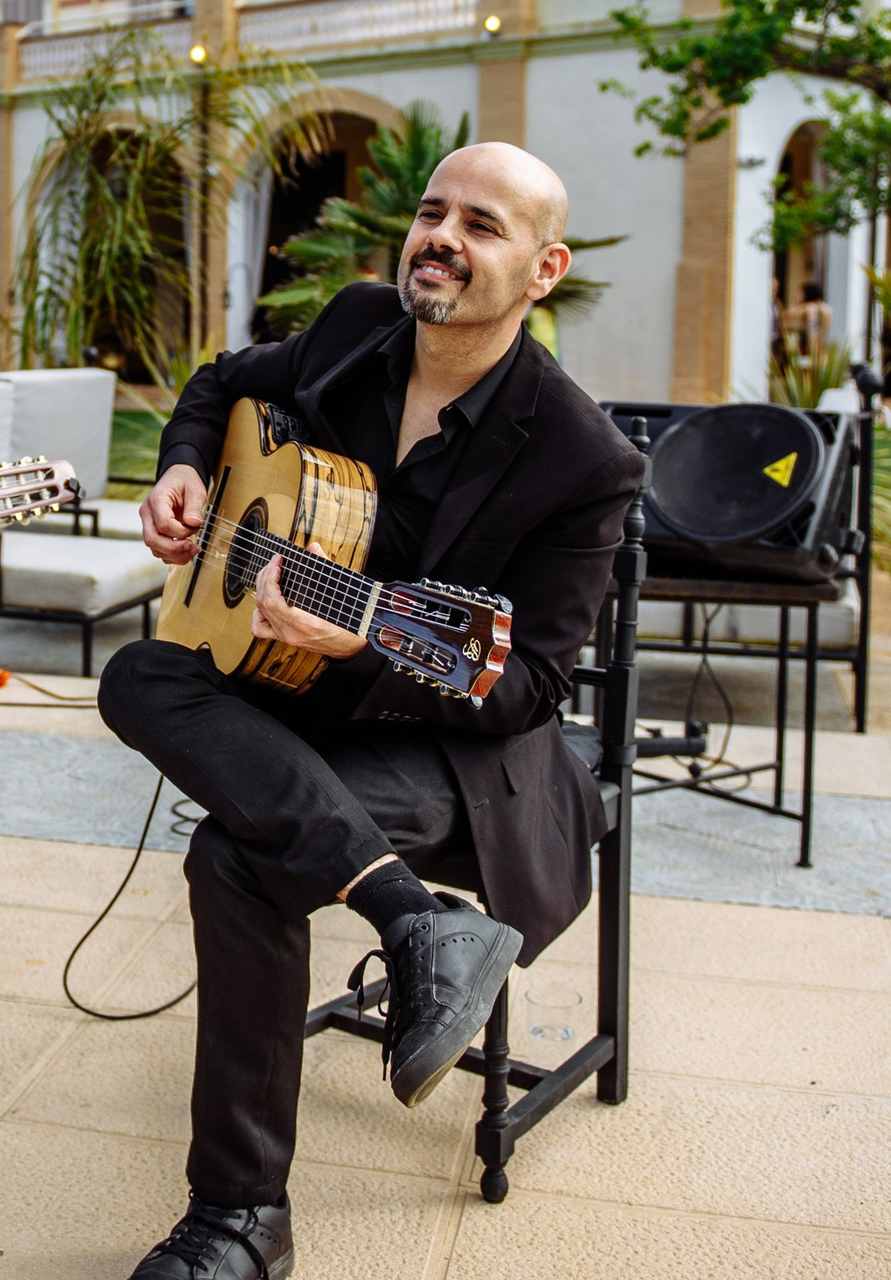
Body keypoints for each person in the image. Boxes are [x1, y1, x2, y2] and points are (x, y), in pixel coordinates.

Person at [99, 142, 645, 1278]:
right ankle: (413, 918)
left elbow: (529, 683)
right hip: (289, 705)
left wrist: (370, 639)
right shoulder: (354, 325)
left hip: (450, 751)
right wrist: (187, 466)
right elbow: (217, 384)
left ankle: (238, 1217)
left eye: (481, 224)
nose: (440, 235)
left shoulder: (581, 454)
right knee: (138, 672)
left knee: (239, 856)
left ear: (543, 270)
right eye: (432, 212)